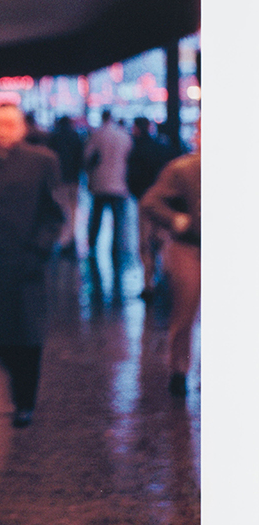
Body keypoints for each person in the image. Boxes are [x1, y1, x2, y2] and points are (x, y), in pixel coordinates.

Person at [0, 103, 64, 427]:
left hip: (27, 264)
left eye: (11, 124)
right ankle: (17, 382)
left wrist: (40, 251)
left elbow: (54, 213)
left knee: (28, 337)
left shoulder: (42, 161)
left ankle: (25, 402)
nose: (4, 130)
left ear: (22, 128)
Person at [140, 122, 201, 396]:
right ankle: (179, 370)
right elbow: (150, 202)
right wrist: (177, 220)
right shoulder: (182, 169)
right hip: (189, 247)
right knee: (185, 310)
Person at [127, 116, 174, 299]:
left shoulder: (137, 149)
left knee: (146, 244)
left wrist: (138, 194)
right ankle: (165, 278)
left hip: (145, 201)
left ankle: (149, 284)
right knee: (162, 240)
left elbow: (131, 176)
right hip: (164, 202)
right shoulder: (164, 149)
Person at [84, 109, 133, 264]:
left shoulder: (97, 134)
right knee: (118, 219)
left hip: (100, 182)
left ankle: (92, 245)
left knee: (96, 217)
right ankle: (117, 247)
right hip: (119, 183)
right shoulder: (123, 135)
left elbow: (87, 156)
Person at [47, 115, 85, 257]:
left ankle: (63, 238)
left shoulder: (54, 137)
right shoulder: (75, 137)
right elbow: (81, 158)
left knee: (62, 208)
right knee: (73, 208)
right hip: (73, 178)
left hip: (60, 178)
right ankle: (70, 238)